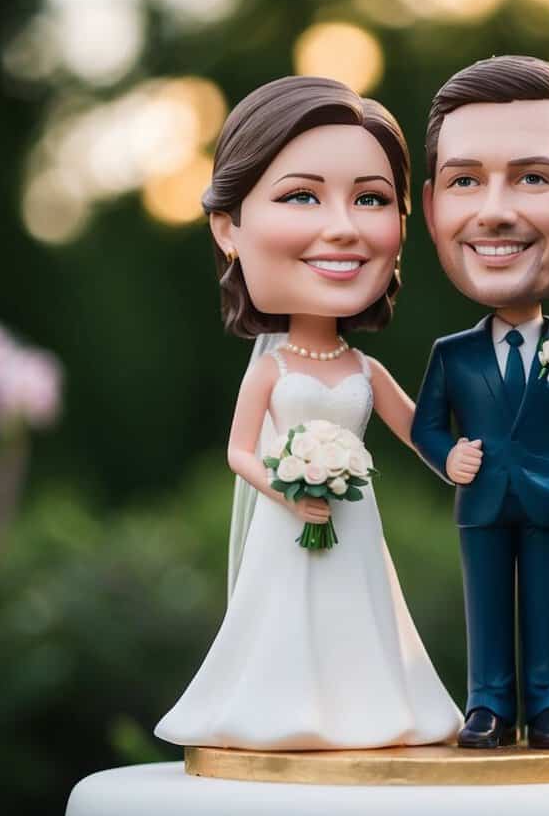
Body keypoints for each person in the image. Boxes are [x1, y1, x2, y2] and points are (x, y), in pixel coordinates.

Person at [155, 76, 461, 750]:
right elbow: (239, 452)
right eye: (302, 195)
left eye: (372, 198)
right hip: (287, 524)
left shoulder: (363, 370)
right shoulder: (272, 369)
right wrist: (288, 488)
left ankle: (370, 710)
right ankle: (276, 710)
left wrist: (460, 460)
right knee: (285, 619)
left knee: (361, 614)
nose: (343, 226)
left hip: (354, 523)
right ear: (228, 228)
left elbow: (418, 432)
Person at [411, 56, 549, 750]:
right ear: (433, 203)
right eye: (465, 180)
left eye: (533, 177)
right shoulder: (453, 354)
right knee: (487, 608)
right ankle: (489, 704)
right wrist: (451, 459)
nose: (494, 209)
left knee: (547, 604)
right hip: (480, 503)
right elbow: (425, 426)